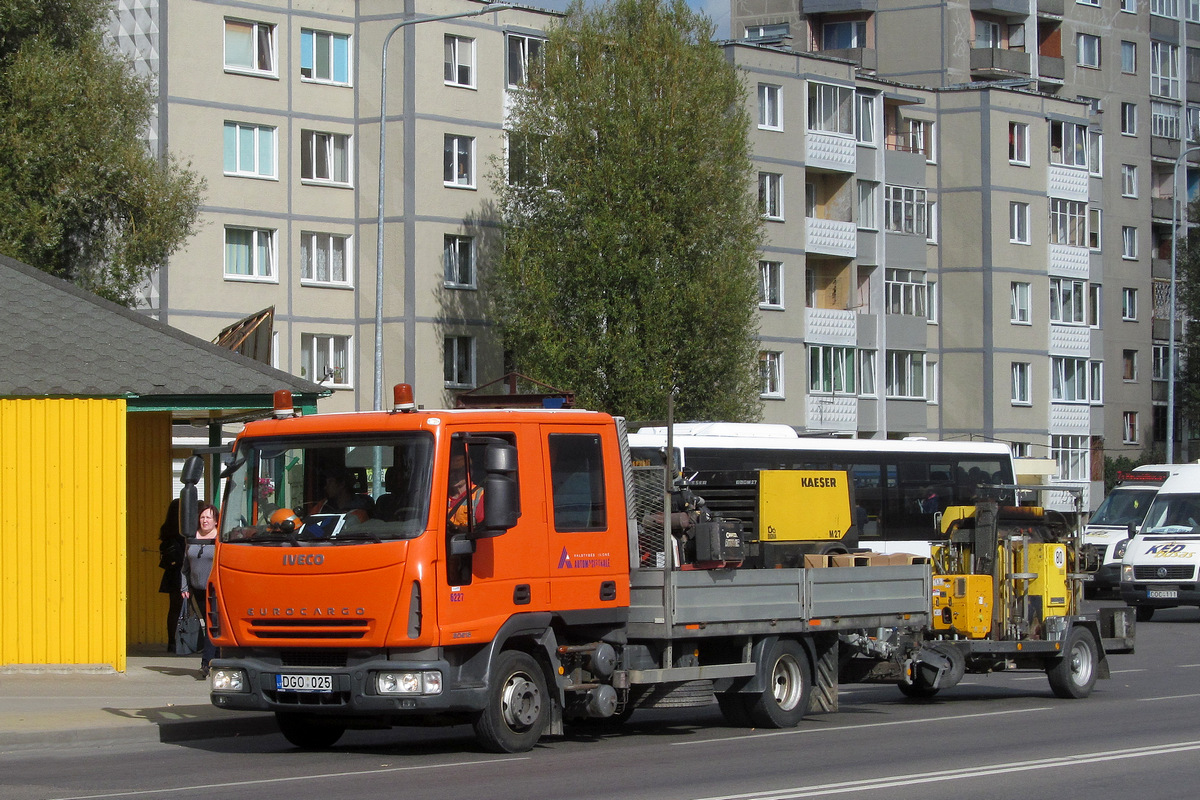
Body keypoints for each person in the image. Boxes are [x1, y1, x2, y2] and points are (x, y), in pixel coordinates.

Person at [181, 501, 219, 678]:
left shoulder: (220, 539)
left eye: (208, 518)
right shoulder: (191, 538)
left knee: (212, 624)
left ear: (216, 521)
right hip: (197, 589)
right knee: (211, 625)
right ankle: (216, 659)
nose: (204, 521)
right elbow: (185, 567)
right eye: (202, 517)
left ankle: (206, 663)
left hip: (216, 589)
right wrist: (185, 586)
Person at [157, 499, 185, 653]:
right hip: (183, 571)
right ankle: (188, 640)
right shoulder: (184, 530)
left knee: (174, 608)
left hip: (172, 572)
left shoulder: (167, 529)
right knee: (190, 607)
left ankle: (172, 642)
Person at [310, 465, 374, 522]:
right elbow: (309, 525)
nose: (326, 487)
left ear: (342, 484)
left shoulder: (360, 512)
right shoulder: (321, 506)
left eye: (330, 482)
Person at [447, 449, 484, 529]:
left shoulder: (480, 495)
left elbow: (482, 530)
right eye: (450, 471)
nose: (453, 475)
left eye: (458, 471)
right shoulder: (440, 495)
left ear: (470, 472)